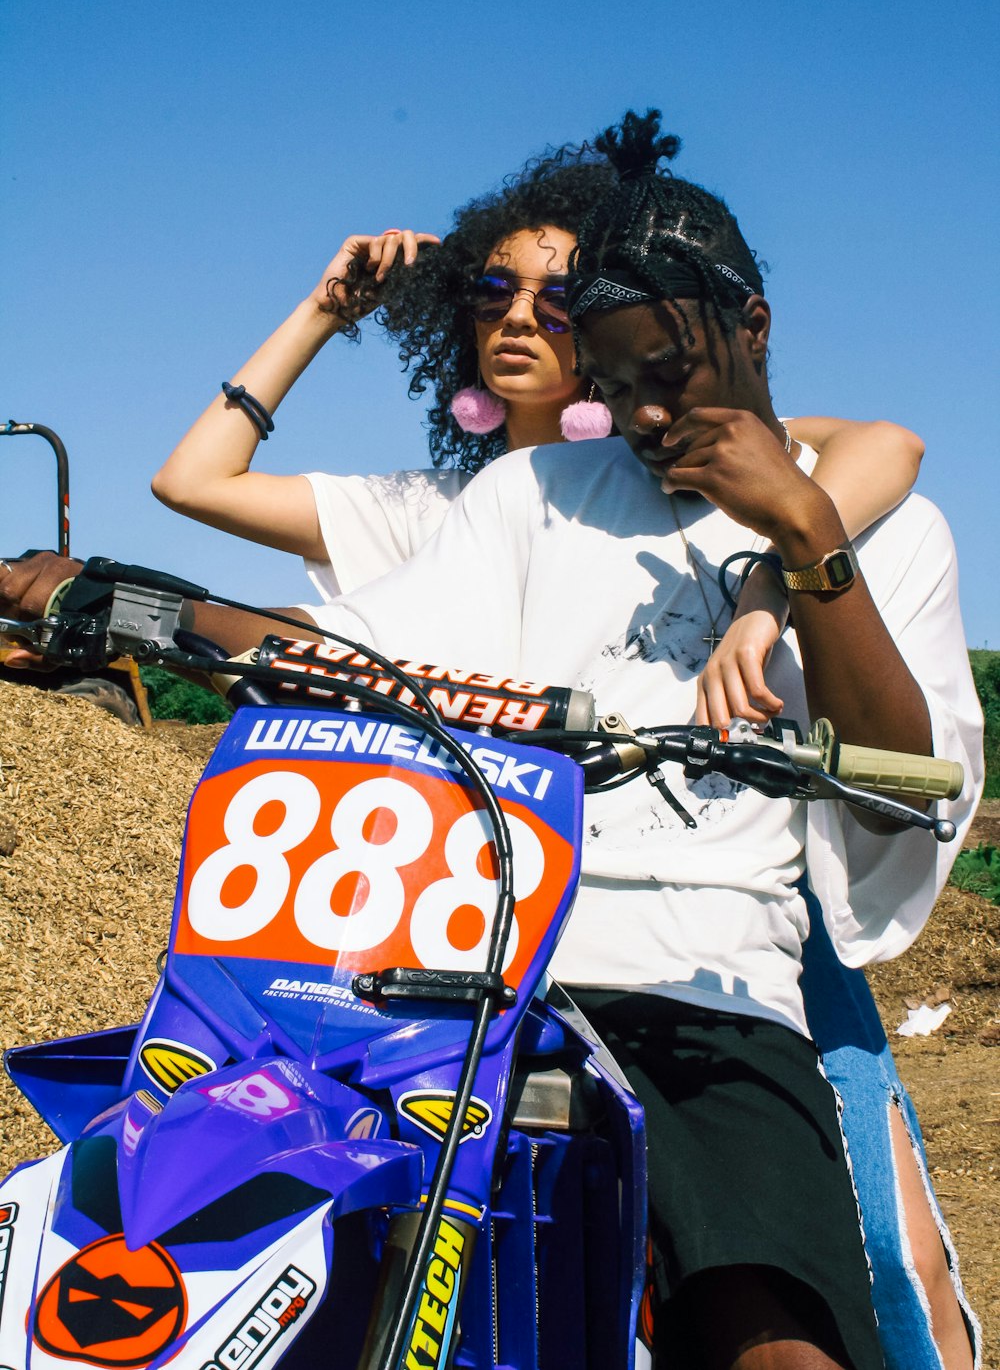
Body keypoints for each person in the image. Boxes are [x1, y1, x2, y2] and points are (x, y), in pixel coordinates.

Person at [1, 118, 981, 1365]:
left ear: (754, 326)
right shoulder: (530, 495)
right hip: (460, 949)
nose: (642, 416)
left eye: (669, 373)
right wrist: (122, 597)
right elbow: (359, 655)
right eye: (616, 383)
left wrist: (800, 540)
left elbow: (905, 796)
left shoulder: (888, 528)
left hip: (702, 975)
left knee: (774, 1338)